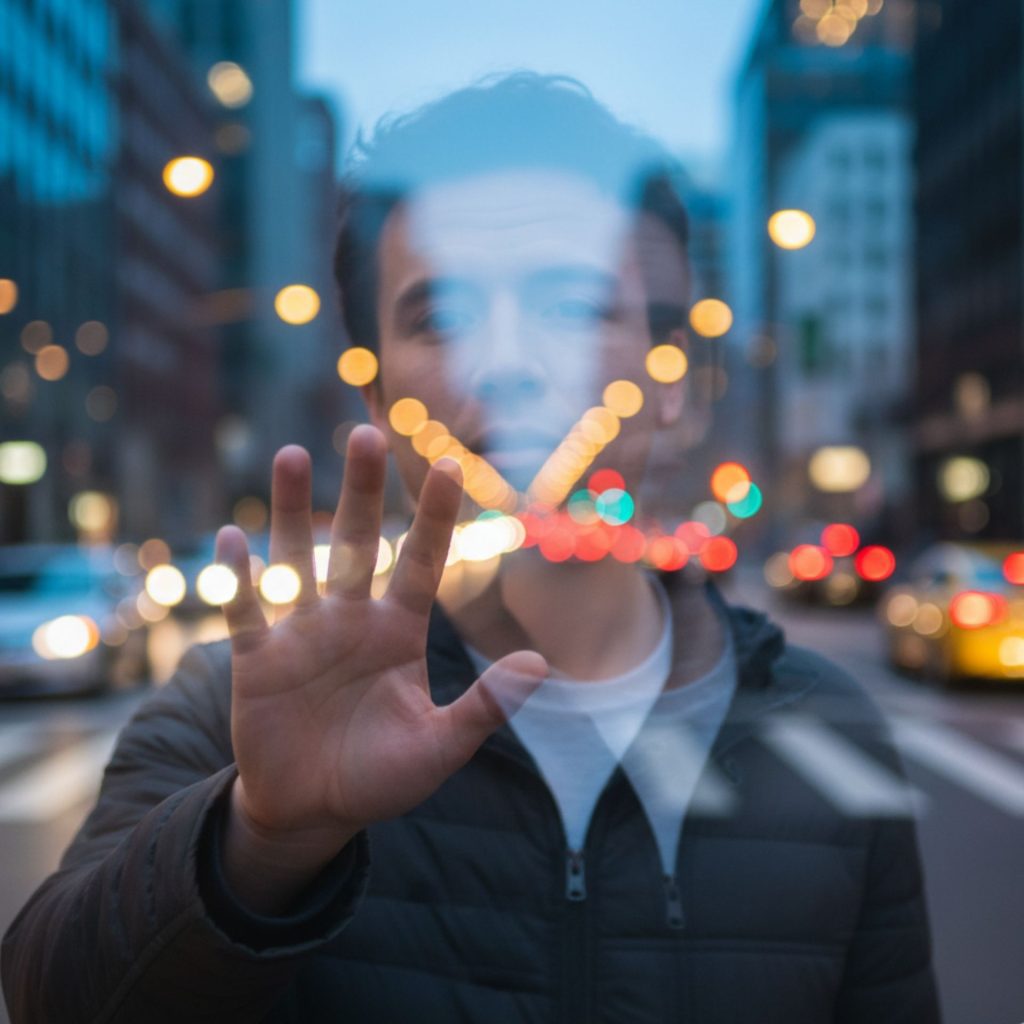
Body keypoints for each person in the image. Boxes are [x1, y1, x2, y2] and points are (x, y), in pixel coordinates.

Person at [1, 73, 940, 1023]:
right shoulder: (234, 712)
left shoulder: (828, 725)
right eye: (441, 316)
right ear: (375, 401)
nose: (507, 363)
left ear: (669, 380)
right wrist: (263, 841)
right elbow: (48, 994)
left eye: (571, 304)